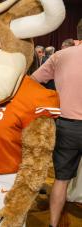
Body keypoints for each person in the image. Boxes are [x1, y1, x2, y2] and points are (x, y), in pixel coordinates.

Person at [31, 44, 82, 227]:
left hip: (66, 126)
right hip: (66, 125)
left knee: (61, 180)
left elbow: (33, 81)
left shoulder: (60, 56)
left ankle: (53, 225)